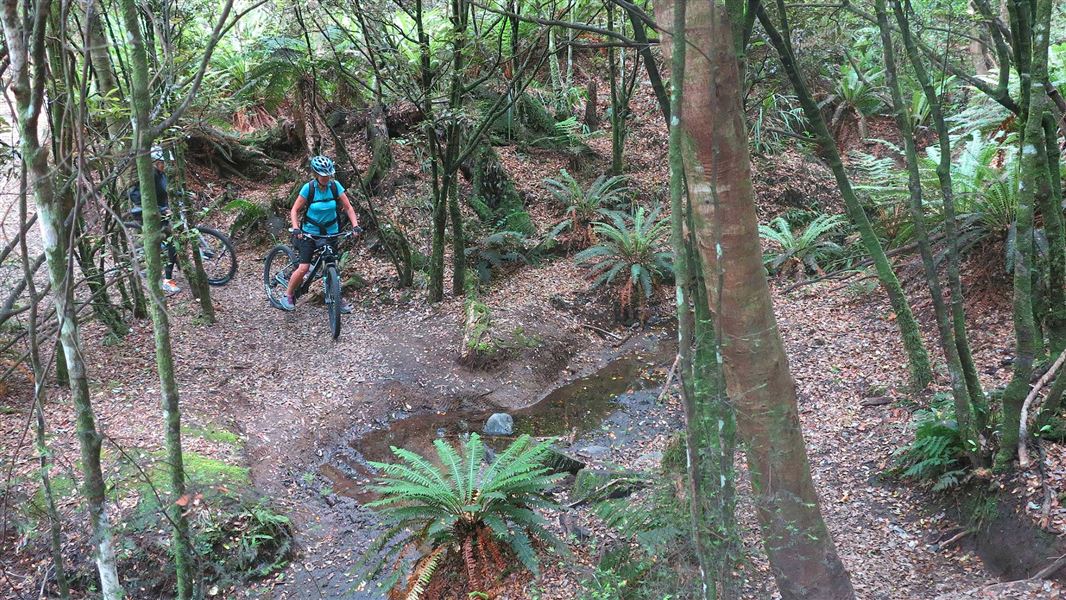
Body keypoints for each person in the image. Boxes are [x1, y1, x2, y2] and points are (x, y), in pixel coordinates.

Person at [277, 155, 360, 312]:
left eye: (328, 174)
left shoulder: (335, 186)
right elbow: (294, 210)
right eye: (323, 175)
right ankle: (287, 295)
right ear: (316, 174)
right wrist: (296, 228)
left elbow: (348, 208)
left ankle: (337, 297)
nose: (326, 178)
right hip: (309, 233)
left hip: (331, 233)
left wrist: (355, 225)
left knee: (331, 265)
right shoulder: (309, 188)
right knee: (303, 268)